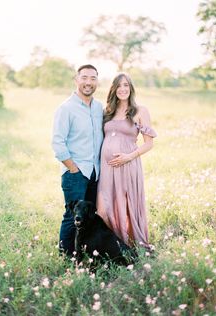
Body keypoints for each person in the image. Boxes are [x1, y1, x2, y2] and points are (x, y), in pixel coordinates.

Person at [96, 73, 156, 249]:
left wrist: (128, 157)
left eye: (126, 85)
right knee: (103, 210)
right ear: (113, 89)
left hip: (128, 166)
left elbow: (149, 143)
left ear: (131, 88)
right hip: (107, 169)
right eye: (119, 86)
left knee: (127, 207)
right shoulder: (108, 111)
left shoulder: (140, 111)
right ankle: (111, 246)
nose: (123, 89)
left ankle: (128, 246)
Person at [52, 64, 103, 256]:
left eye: (93, 78)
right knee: (71, 217)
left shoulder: (98, 107)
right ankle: (66, 256)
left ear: (97, 81)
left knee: (89, 216)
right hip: (75, 173)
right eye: (84, 78)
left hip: (95, 172)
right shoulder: (66, 108)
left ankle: (85, 253)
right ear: (76, 80)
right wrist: (73, 168)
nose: (88, 82)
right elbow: (57, 142)